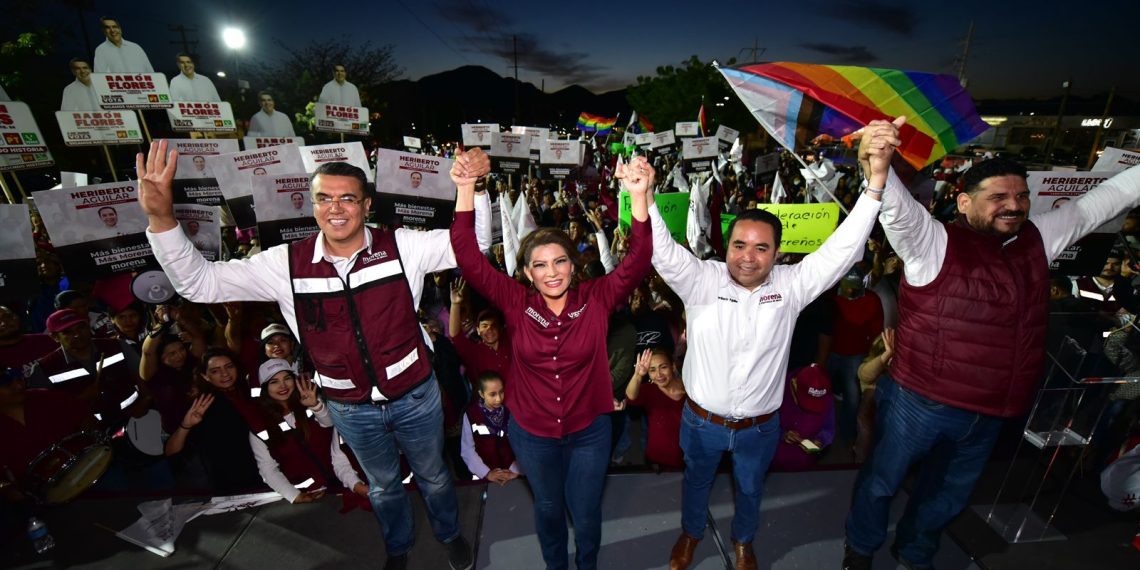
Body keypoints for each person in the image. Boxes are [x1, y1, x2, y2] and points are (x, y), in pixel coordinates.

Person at [136, 139, 491, 570]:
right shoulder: (285, 263)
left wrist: (476, 188)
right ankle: (399, 547)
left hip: (416, 396)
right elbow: (200, 285)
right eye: (324, 198)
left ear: (366, 204)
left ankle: (450, 534)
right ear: (312, 204)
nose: (335, 208)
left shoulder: (403, 246)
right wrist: (161, 218)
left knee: (435, 476)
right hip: (350, 409)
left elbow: (474, 247)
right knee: (381, 485)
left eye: (347, 198)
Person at [842, 133, 1140, 569]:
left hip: (991, 413)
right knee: (881, 483)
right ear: (963, 202)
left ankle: (915, 553)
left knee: (947, 496)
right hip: (918, 403)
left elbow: (1110, 197)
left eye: (1021, 196)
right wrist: (876, 160)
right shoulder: (931, 241)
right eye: (998, 196)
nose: (1014, 205)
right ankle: (861, 549)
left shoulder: (1039, 239)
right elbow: (897, 207)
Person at [654, 118, 901, 570]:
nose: (747, 255)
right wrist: (638, 198)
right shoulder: (701, 280)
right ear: (725, 246)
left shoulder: (792, 286)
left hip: (760, 426)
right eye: (739, 244)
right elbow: (662, 252)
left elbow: (843, 249)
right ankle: (690, 534)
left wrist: (876, 183)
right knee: (696, 482)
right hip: (701, 422)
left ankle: (744, 542)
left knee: (751, 488)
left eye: (761, 248)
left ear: (779, 254)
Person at [449, 151, 653, 570]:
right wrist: (466, 189)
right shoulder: (514, 300)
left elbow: (638, 260)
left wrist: (638, 197)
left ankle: (588, 565)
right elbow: (468, 258)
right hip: (533, 433)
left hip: (589, 431)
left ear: (573, 265)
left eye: (560, 261)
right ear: (525, 272)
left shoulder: (595, 298)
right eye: (540, 265)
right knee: (547, 507)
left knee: (587, 511)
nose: (552, 272)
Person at [245, 359, 367, 503]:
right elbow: (268, 469)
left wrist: (355, 484)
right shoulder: (259, 426)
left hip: (340, 488)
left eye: (287, 378)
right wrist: (294, 495)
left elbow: (334, 445)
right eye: (274, 382)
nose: (282, 385)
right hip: (306, 498)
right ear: (265, 388)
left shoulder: (314, 405)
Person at [164, 347, 263, 493]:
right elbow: (171, 451)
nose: (225, 374)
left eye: (229, 366)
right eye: (215, 371)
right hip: (233, 483)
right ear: (205, 376)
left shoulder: (247, 392)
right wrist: (186, 425)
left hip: (263, 471)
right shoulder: (204, 405)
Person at [624, 347, 685, 468]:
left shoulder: (691, 389)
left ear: (672, 367)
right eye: (652, 370)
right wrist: (638, 375)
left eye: (663, 367)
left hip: (690, 459)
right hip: (658, 461)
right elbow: (630, 397)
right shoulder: (649, 391)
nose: (659, 374)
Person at [448, 278, 510, 392]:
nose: (489, 329)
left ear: (501, 329)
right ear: (477, 330)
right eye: (485, 325)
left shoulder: (510, 341)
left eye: (493, 325)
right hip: (489, 407)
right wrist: (455, 304)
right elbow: (455, 336)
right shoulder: (473, 352)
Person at [459, 371, 521, 484]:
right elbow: (467, 449)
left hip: (512, 473)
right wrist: (486, 473)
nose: (498, 399)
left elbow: (524, 443)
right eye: (492, 394)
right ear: (481, 394)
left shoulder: (512, 410)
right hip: (486, 475)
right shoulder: (471, 415)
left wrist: (516, 469)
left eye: (501, 392)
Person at [770, 363, 834, 471]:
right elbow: (762, 424)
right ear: (794, 383)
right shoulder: (777, 388)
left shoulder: (825, 394)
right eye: (807, 399)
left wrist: (820, 441)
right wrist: (782, 433)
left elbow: (828, 428)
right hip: (772, 460)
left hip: (805, 463)